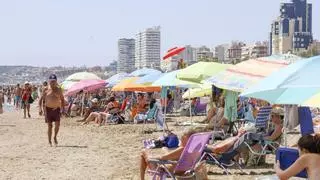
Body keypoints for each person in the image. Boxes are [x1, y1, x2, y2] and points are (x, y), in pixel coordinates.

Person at [39, 74, 65, 146]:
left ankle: (55, 137)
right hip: (48, 109)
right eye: (51, 81)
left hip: (56, 109)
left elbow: (62, 100)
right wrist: (40, 109)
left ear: (56, 81)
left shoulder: (59, 89)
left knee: (57, 125)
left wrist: (63, 109)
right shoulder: (46, 89)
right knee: (50, 126)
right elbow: (40, 99)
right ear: (49, 81)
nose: (53, 83)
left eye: (54, 81)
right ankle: (49, 141)